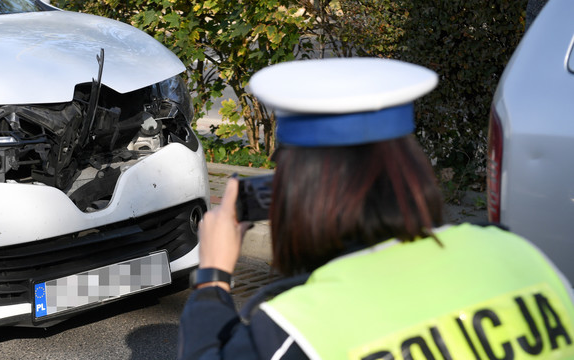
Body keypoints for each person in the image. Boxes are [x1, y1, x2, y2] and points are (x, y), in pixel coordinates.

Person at [178, 58, 574, 359]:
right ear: (412, 167)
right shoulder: (519, 256)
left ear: (298, 191)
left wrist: (213, 278)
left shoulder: (294, 327)